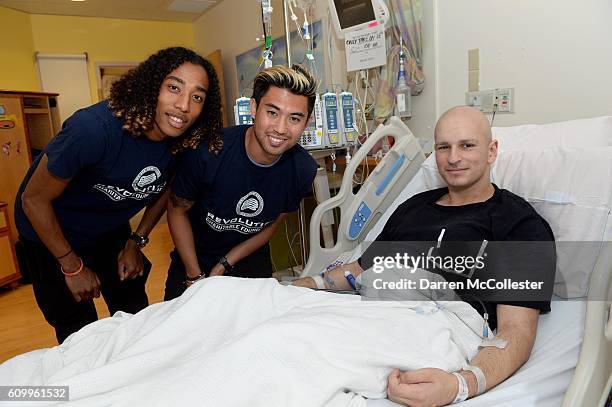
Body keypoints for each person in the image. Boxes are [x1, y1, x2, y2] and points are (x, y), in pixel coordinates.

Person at [292, 106, 556, 406]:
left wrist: (461, 385)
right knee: (278, 326)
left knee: (293, 348)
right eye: (444, 147)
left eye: (467, 145)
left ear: (492, 151)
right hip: (371, 310)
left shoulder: (519, 224)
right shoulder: (414, 207)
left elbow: (515, 332)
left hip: (437, 324)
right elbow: (362, 269)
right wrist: (306, 285)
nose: (453, 158)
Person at [14, 47, 223, 343]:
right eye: (174, 87)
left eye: (197, 97)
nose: (183, 105)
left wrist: (135, 242)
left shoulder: (184, 141)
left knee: (134, 312)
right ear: (151, 87)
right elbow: (33, 200)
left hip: (107, 227)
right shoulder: (93, 130)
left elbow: (166, 191)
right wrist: (72, 267)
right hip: (49, 229)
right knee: (80, 331)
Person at [164, 64, 318, 300]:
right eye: (272, 112)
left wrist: (225, 264)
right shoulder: (209, 152)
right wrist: (195, 276)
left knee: (256, 332)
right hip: (194, 256)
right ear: (254, 108)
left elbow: (270, 226)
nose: (280, 128)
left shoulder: (303, 170)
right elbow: (176, 210)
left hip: (249, 258)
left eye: (294, 118)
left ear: (306, 123)